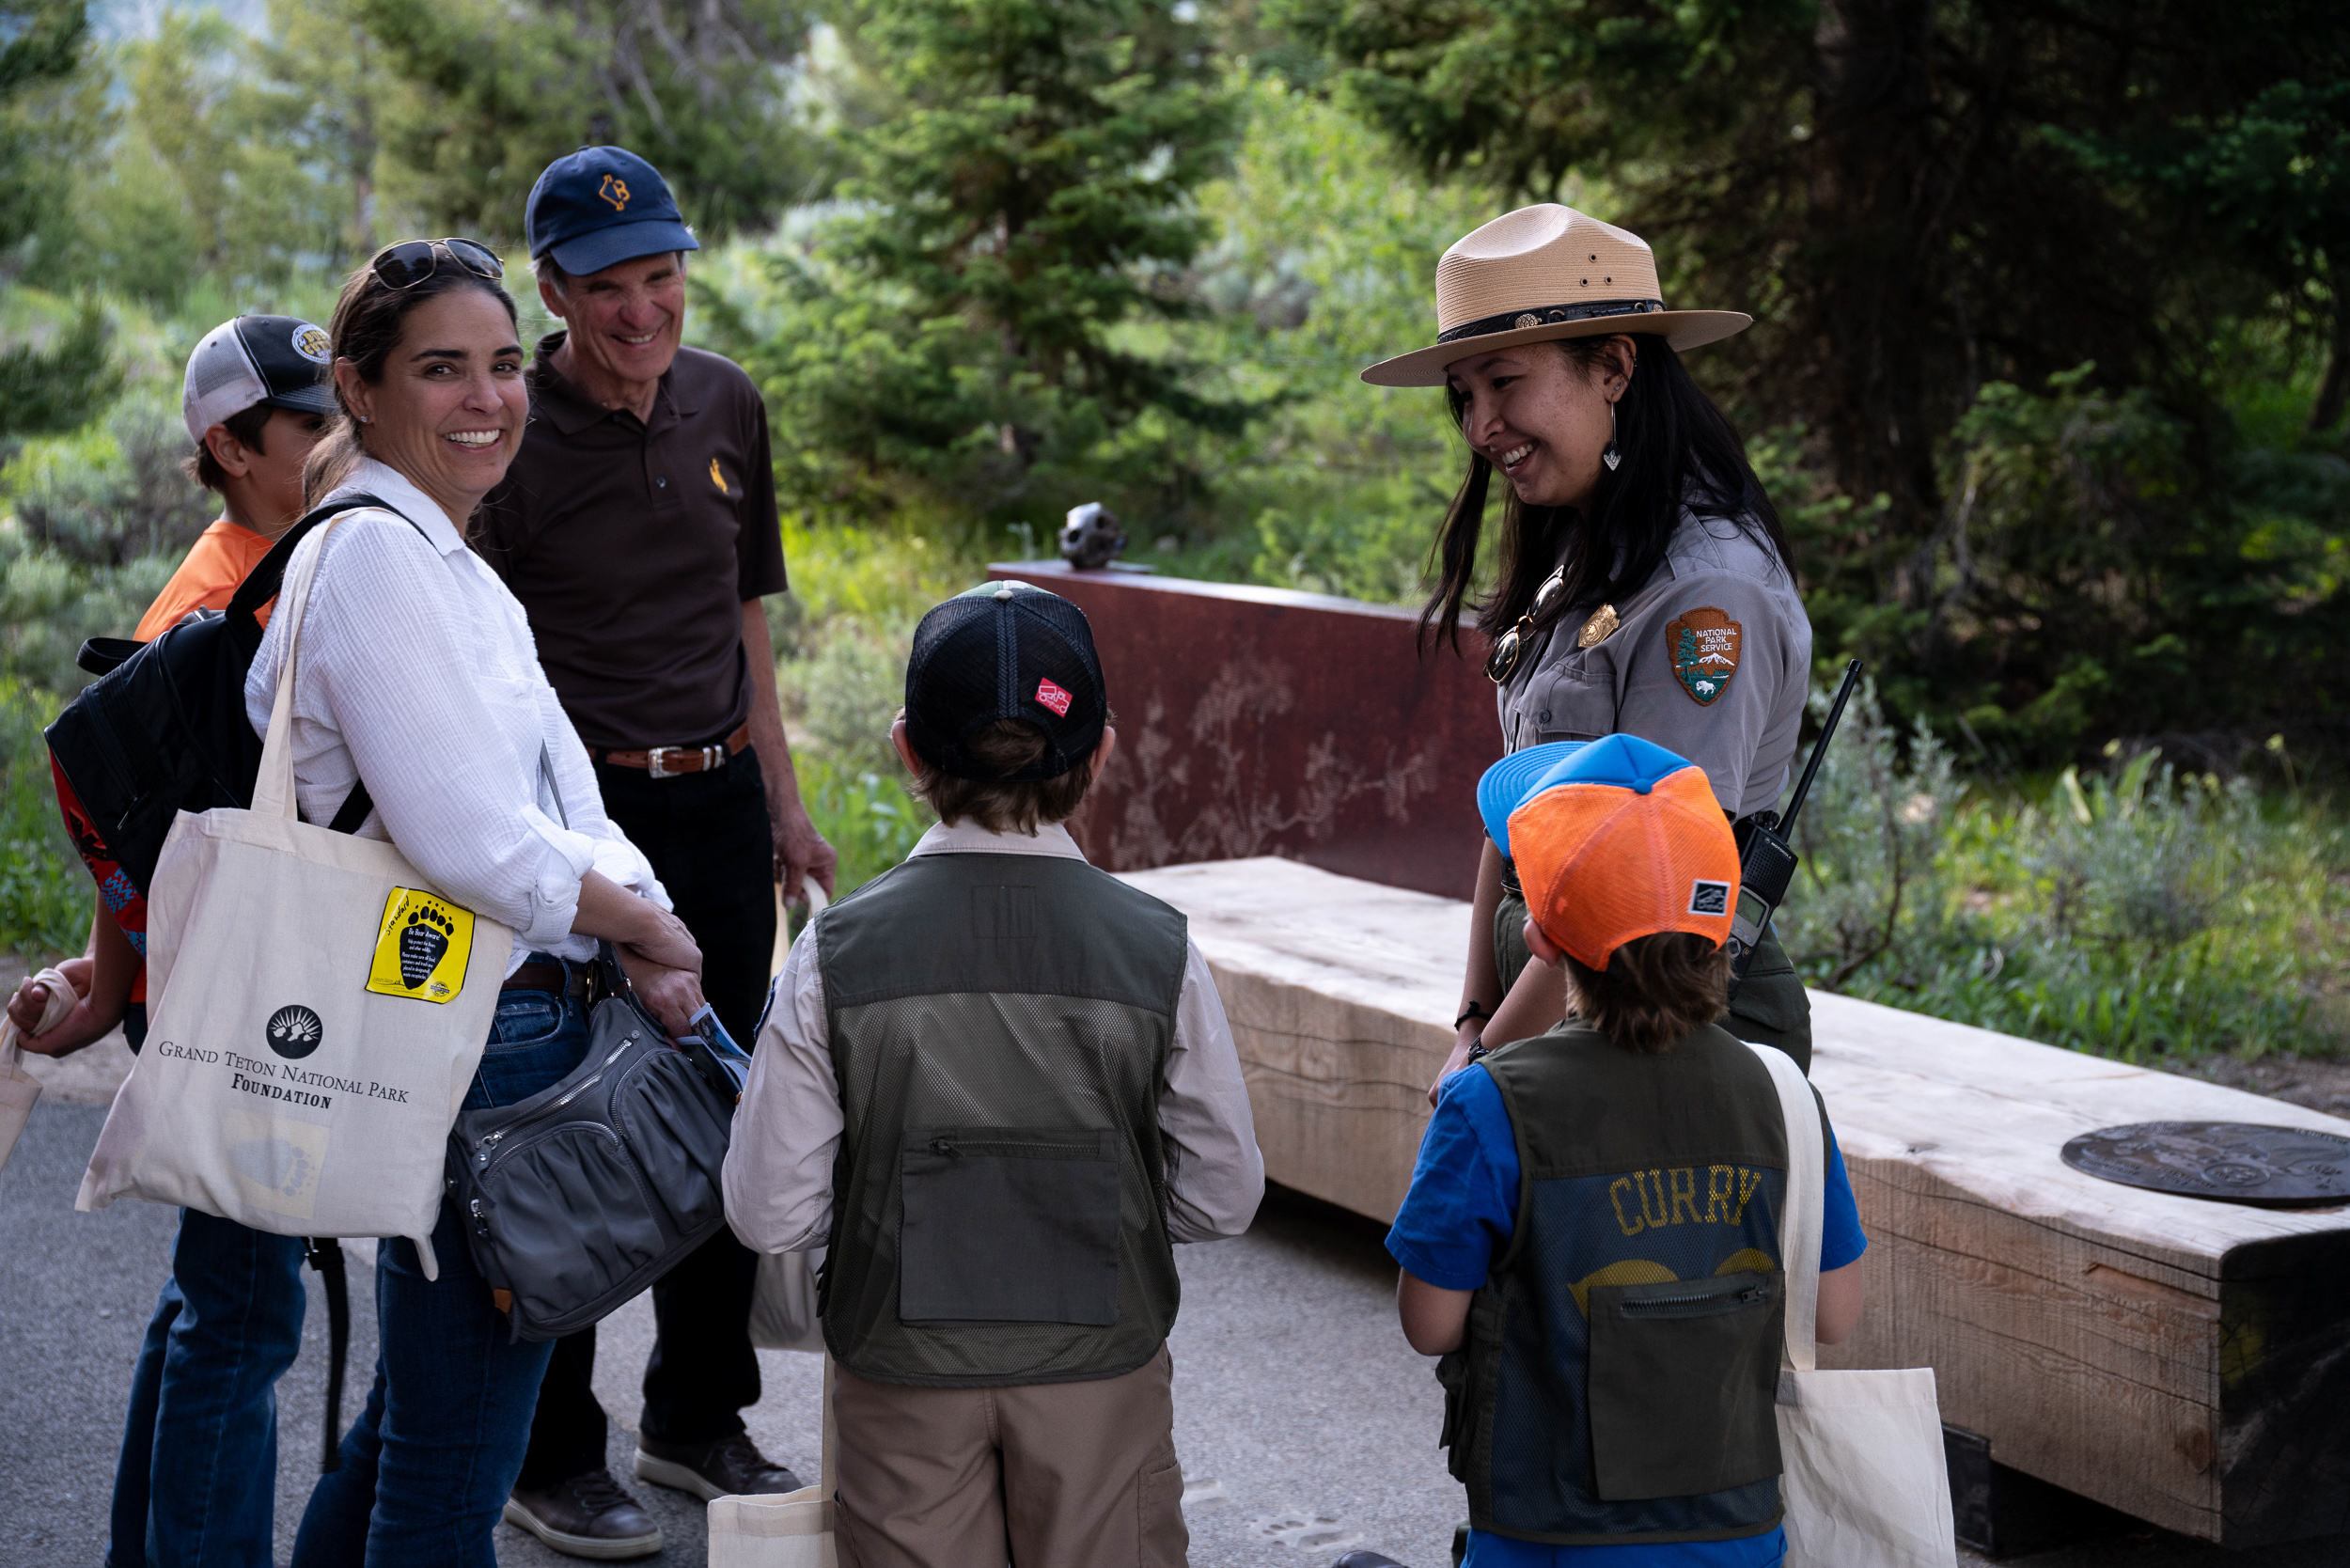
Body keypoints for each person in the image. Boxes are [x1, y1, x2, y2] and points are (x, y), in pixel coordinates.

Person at [242, 238, 700, 1568]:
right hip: (464, 1040)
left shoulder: (452, 565)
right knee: (450, 1469)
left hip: (489, 1027)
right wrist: (653, 928)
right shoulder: (380, 560)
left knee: (415, 1428)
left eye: (502, 366)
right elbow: (474, 844)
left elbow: (568, 793)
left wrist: (642, 913)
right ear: (360, 390)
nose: (486, 398)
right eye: (442, 369)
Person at [723, 580, 1265, 1568]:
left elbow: (767, 1212)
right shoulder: (1158, 951)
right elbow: (1224, 1197)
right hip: (1101, 1373)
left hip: (900, 1373)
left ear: (907, 750)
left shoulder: (833, 953)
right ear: (1101, 751)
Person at [470, 144, 834, 1556]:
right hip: (578, 831)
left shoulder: (728, 401)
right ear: (552, 291)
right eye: (608, 287)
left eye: (663, 278)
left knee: (728, 1114)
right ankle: (553, 1449)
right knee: (564, 1127)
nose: (642, 310)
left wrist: (786, 806)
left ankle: (695, 1414)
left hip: (723, 808)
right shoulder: (507, 439)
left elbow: (748, 623)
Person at [1348, 732, 1866, 1568]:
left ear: (1544, 938)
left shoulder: (1489, 1102)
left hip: (1543, 1533)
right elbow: (1835, 1316)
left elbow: (1428, 1324)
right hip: (1736, 1533)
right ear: (1722, 919)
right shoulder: (1781, 1092)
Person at [5, 314, 332, 1568]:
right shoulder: (215, 605)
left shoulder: (284, 563)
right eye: (308, 424)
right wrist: (126, 982)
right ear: (229, 445)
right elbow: (123, 819)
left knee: (218, 1299)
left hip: (226, 986)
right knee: (244, 1321)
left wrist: (110, 979)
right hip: (232, 1004)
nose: (334, 442)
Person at [1358, 204, 1815, 1100]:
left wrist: (1494, 1065)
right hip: (1551, 1016)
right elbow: (1516, 806)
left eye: (1503, 384)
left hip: (1663, 1038)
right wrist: (1472, 1024)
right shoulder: (1589, 545)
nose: (1480, 427)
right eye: (1465, 394)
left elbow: (1641, 889)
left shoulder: (1704, 591)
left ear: (1613, 367)